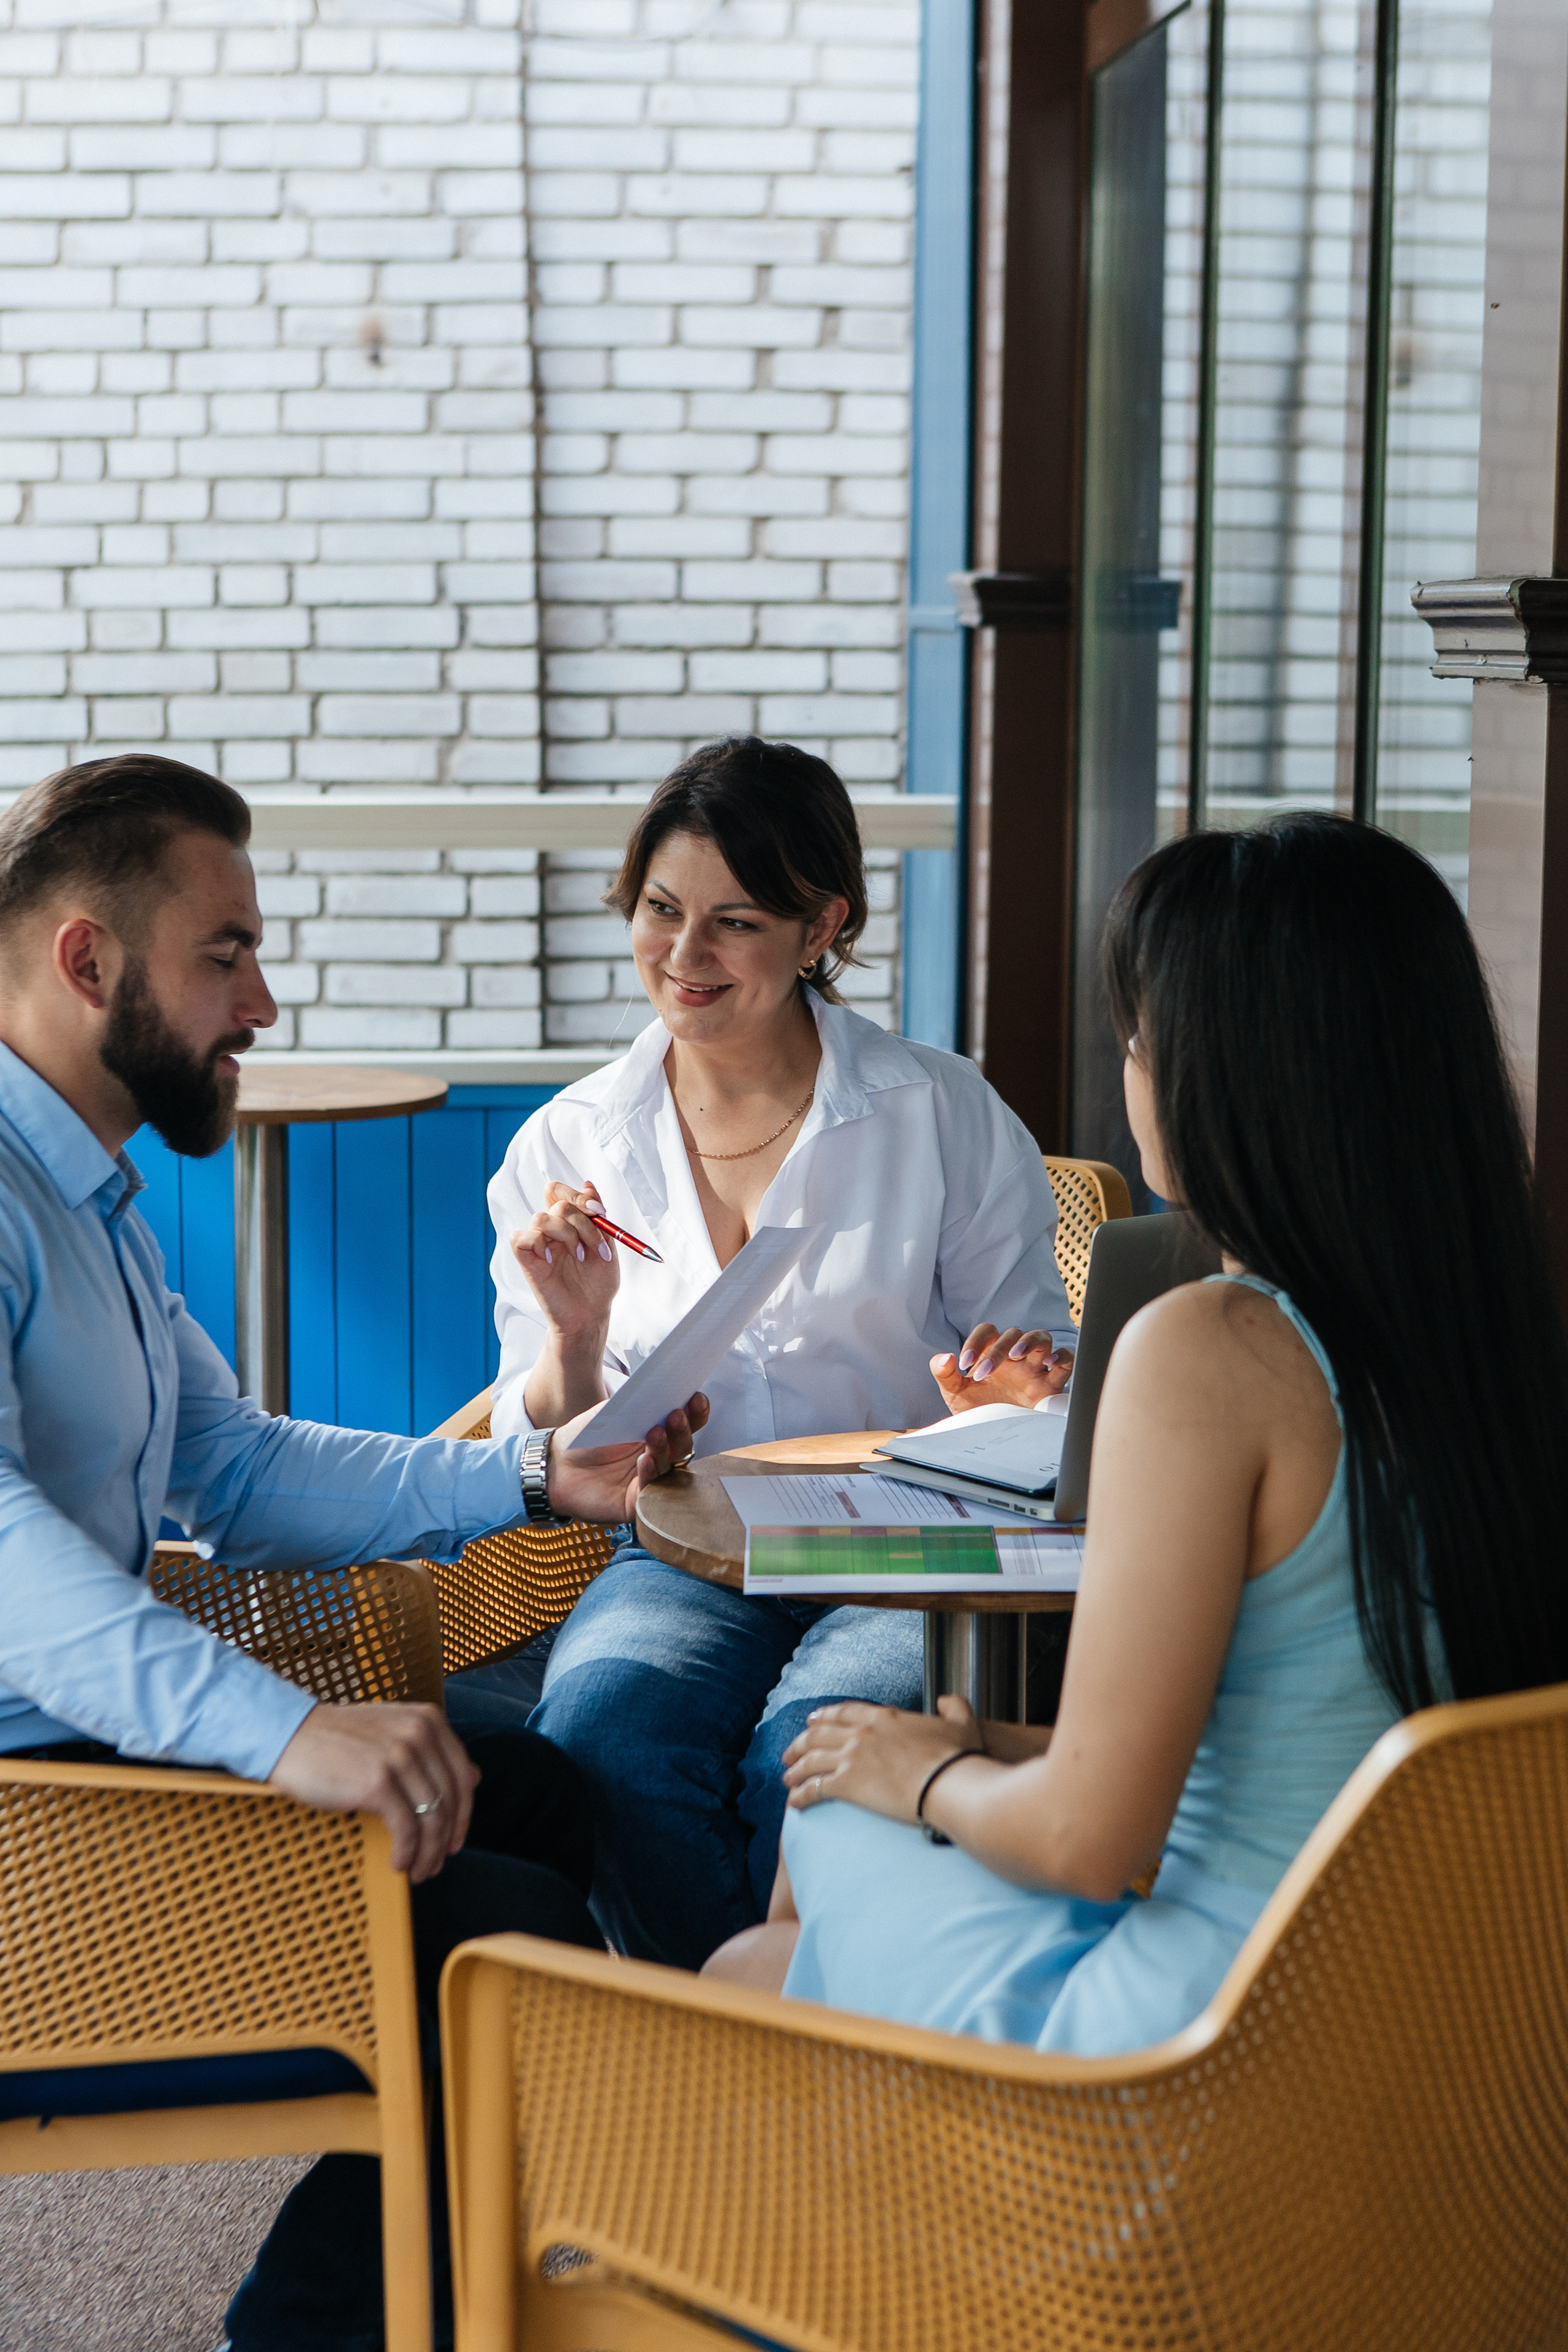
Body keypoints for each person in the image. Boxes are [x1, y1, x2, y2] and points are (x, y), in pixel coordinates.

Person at [0, 752, 701, 2352]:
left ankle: (430, 2285)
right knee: (506, 1936)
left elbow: (233, 1469)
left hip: (82, 1761)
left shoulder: (85, 1192)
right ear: (87, 962)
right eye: (225, 954)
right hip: (26, 1846)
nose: (261, 1003)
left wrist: (536, 1474)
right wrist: (288, 1728)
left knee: (540, 1788)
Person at [704, 813, 1568, 2054]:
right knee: (828, 1841)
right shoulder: (1489, 1346)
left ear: (1219, 1073)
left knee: (795, 1879)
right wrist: (975, 1745)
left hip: (1201, 2060)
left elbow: (1090, 1840)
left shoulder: (1210, 1349)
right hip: (1439, 2033)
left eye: (1135, 1038)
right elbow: (1296, 1720)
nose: (1128, 1069)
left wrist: (927, 1774)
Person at [478, 736, 1078, 1970]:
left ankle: (802, 2059)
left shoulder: (941, 1114)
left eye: (733, 922)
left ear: (821, 926)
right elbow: (529, 1438)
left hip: (909, 1550)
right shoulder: (568, 1141)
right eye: (659, 910)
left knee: (811, 1744)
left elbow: (1047, 1386)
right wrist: (577, 1337)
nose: (681, 958)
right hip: (682, 1553)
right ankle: (714, 2047)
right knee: (602, 1733)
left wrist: (1017, 1395)